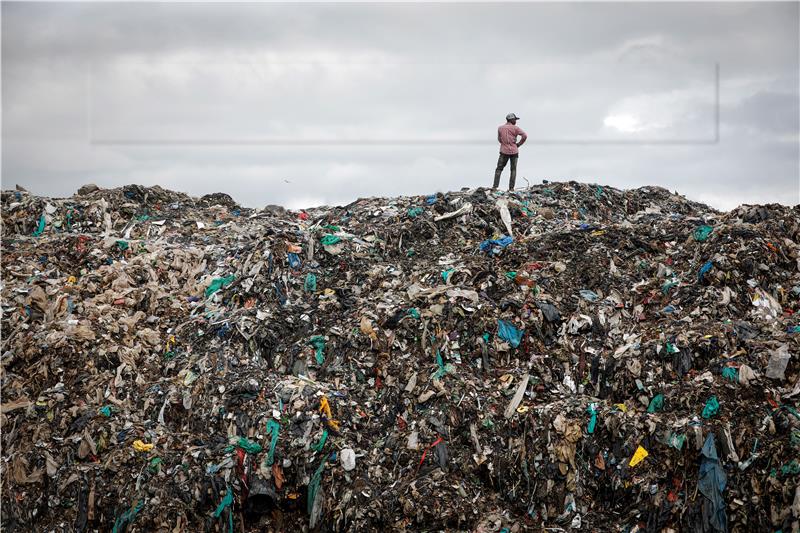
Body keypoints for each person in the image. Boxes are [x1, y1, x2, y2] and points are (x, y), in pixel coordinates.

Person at [493, 113, 527, 191]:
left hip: (503, 151)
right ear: (511, 120)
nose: (515, 121)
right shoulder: (516, 128)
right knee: (513, 170)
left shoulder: (500, 128)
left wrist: (504, 143)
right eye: (515, 119)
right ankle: (511, 188)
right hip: (514, 151)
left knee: (499, 169)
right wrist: (518, 144)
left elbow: (499, 139)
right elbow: (525, 136)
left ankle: (495, 187)